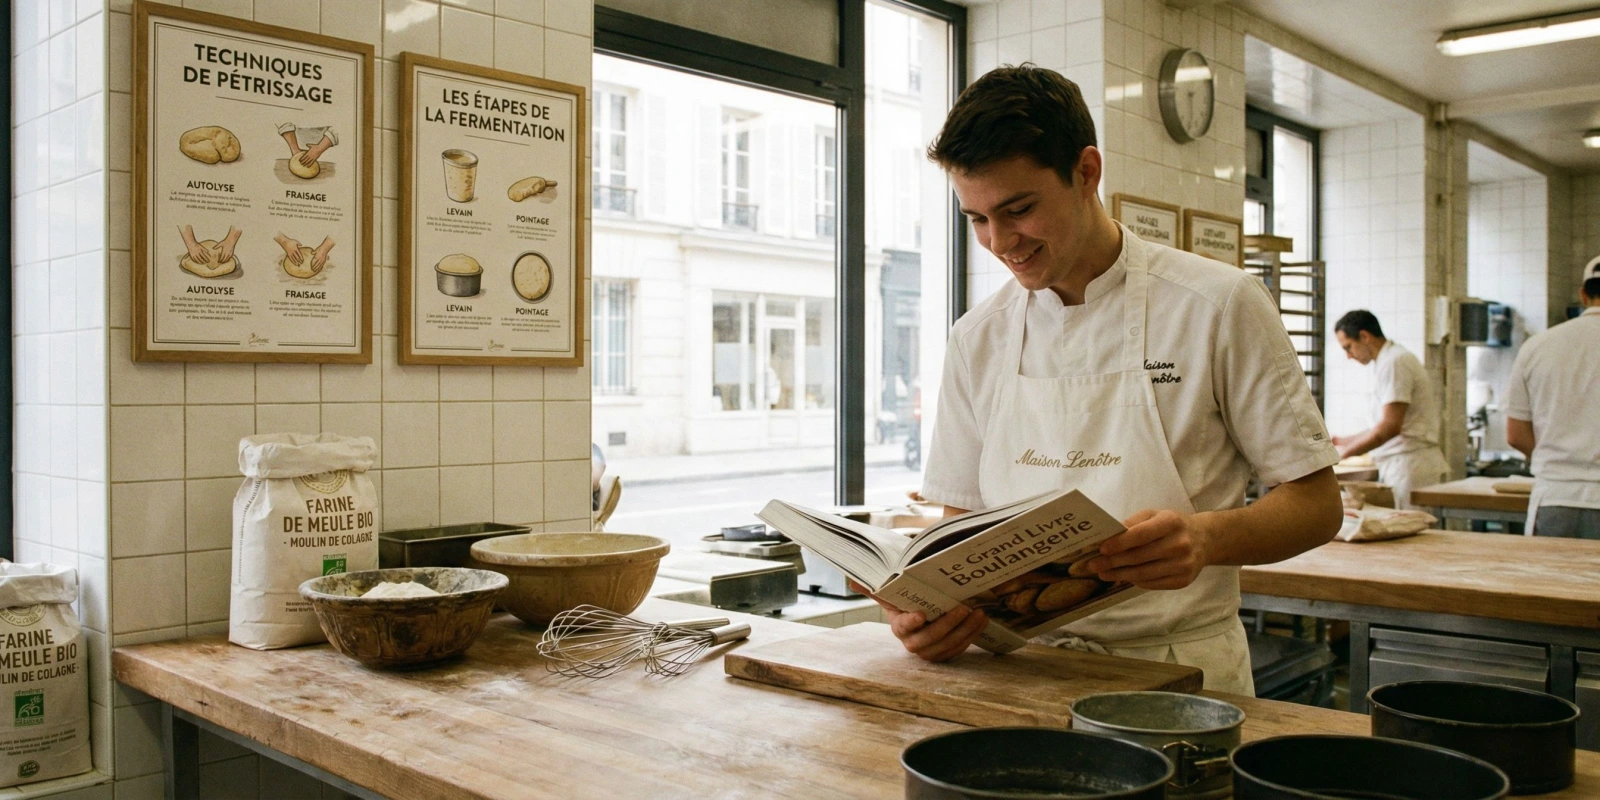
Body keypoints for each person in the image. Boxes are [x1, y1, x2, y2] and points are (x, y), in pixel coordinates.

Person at [875, 65, 1342, 696]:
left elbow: (1316, 506)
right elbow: (961, 517)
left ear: (1086, 172)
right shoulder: (976, 335)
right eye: (977, 219)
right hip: (1016, 671)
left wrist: (1204, 538)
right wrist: (934, 608)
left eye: (1019, 209)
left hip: (1177, 672)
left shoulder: (1217, 303)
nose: (1000, 242)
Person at [1504, 256, 1600, 538]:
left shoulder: (1537, 346)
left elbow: (1516, 434)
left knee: (1549, 582)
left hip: (1554, 498)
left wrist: (1559, 460)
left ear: (1583, 295)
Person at [1330, 310, 1449, 509]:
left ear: (1365, 336)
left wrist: (1342, 456)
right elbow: (1380, 425)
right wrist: (1342, 441)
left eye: (1348, 347)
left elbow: (1389, 427)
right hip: (1403, 464)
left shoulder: (1395, 362)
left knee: (1414, 535)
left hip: (1411, 466)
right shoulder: (1388, 360)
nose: (1349, 356)